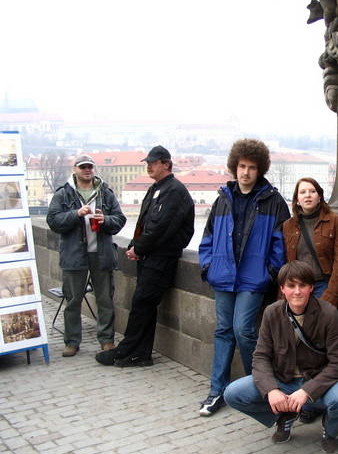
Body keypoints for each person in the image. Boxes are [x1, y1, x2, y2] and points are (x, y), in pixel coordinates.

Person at [224, 260, 338, 454]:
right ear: (282, 289)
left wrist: (307, 391)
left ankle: (330, 431)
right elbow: (260, 357)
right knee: (232, 393)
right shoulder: (272, 313)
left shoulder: (328, 313)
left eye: (302, 285)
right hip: (283, 380)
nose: (297, 291)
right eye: (291, 286)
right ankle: (284, 416)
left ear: (311, 288)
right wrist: (271, 391)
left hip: (316, 382)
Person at [198, 139, 290, 417]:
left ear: (259, 169)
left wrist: (269, 273)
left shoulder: (272, 201)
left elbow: (280, 244)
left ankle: (260, 387)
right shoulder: (223, 199)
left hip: (253, 279)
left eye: (251, 167)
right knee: (223, 332)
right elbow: (208, 237)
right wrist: (208, 266)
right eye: (241, 166)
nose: (246, 172)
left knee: (243, 330)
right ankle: (216, 391)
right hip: (224, 276)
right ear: (234, 167)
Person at [95, 145, 194, 368]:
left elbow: (161, 229)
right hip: (150, 256)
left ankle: (130, 351)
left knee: (142, 303)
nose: (148, 166)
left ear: (166, 164)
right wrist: (134, 245)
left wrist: (138, 249)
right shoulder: (156, 189)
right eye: (147, 162)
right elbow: (143, 223)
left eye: (152, 162)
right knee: (143, 305)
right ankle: (138, 353)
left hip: (162, 258)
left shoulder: (175, 191)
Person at [282, 176, 338, 424]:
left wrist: (330, 298)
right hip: (298, 286)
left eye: (312, 191)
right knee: (300, 343)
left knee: (321, 342)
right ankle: (305, 396)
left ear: (320, 195)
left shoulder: (335, 222)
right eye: (302, 192)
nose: (307, 195)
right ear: (297, 199)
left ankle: (319, 396)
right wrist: (286, 293)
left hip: (324, 284)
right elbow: (287, 263)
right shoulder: (289, 226)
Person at [47, 154, 126, 357]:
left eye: (90, 167)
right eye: (83, 167)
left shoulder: (105, 193)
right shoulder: (64, 194)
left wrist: (105, 220)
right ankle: (72, 341)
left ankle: (106, 340)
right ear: (75, 169)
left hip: (101, 254)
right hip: (74, 254)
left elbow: (119, 220)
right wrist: (75, 214)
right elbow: (53, 221)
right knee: (73, 300)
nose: (87, 170)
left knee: (105, 300)